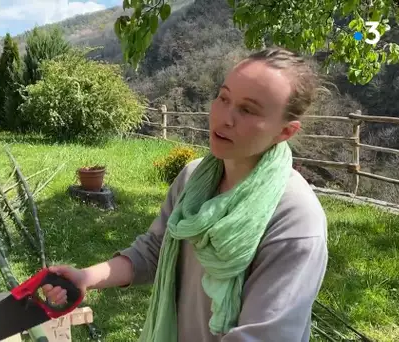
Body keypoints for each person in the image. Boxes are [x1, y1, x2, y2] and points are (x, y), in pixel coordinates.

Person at [43, 47, 329, 341]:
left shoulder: (295, 219)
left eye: (247, 110)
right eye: (224, 97)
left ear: (285, 132)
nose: (225, 117)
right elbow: (156, 249)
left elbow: (264, 336)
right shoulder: (193, 179)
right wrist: (87, 278)